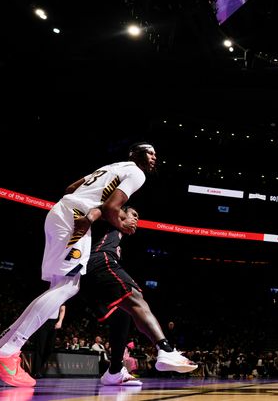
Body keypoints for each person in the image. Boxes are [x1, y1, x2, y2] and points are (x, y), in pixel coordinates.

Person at [0, 142, 157, 388]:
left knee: (57, 287)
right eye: (150, 153)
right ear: (136, 154)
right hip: (76, 219)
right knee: (69, 286)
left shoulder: (111, 166)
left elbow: (71, 188)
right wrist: (121, 224)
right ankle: (9, 350)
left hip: (60, 212)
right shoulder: (136, 173)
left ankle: (5, 345)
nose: (153, 158)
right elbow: (110, 207)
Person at [80, 206, 197, 386]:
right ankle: (165, 349)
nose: (136, 220)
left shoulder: (117, 236)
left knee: (123, 315)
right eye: (133, 215)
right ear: (120, 214)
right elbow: (107, 206)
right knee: (134, 297)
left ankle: (114, 371)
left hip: (87, 275)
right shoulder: (109, 220)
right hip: (100, 262)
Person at [28, 304, 65, 378]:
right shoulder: (48, 295)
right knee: (40, 348)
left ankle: (38, 369)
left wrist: (60, 321)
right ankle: (35, 372)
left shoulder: (61, 297)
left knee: (50, 349)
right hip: (43, 322)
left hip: (54, 323)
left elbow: (62, 309)